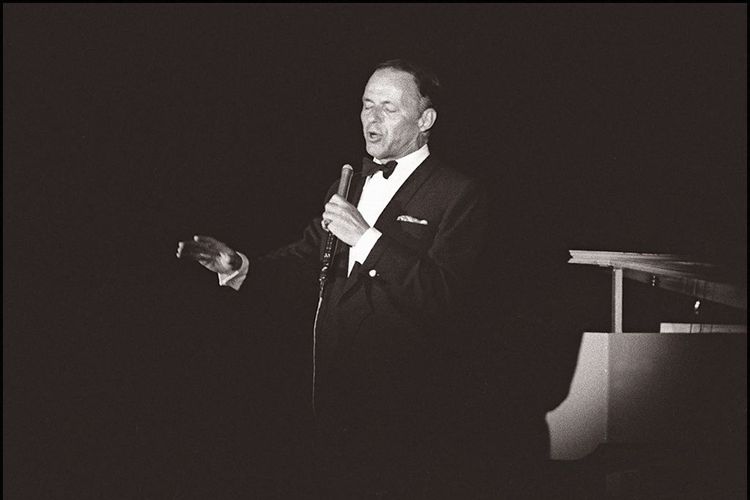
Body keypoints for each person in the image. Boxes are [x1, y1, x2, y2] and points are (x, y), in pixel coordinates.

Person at [176, 59, 489, 498]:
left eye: (388, 108)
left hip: (406, 410)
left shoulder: (458, 194)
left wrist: (367, 239)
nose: (371, 118)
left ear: (426, 120)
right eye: (366, 105)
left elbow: (445, 296)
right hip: (333, 400)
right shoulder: (349, 185)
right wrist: (241, 268)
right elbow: (306, 262)